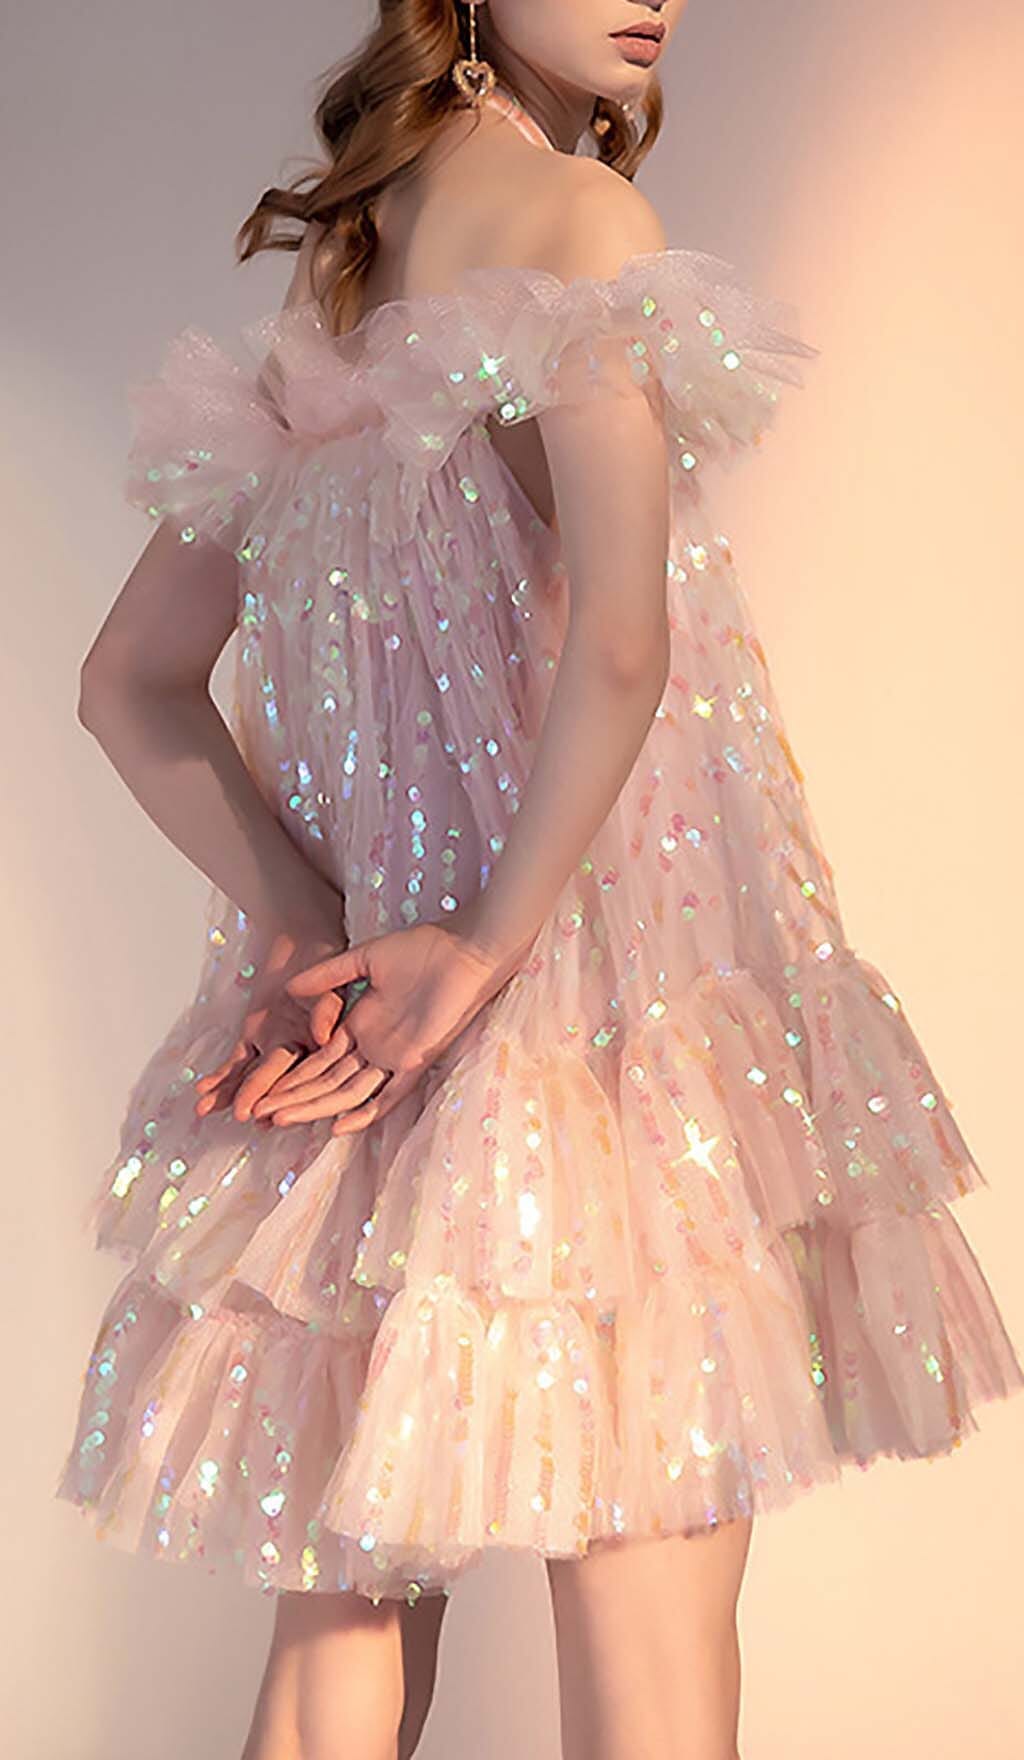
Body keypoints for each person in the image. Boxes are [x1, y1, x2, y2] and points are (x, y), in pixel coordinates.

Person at [56, 4, 1024, 1759]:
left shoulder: (341, 284)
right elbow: (623, 647)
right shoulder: (582, 221)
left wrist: (314, 926)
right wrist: (487, 947)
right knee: (654, 1669)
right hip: (603, 1025)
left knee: (334, 1665)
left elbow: (127, 682)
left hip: (371, 1041)